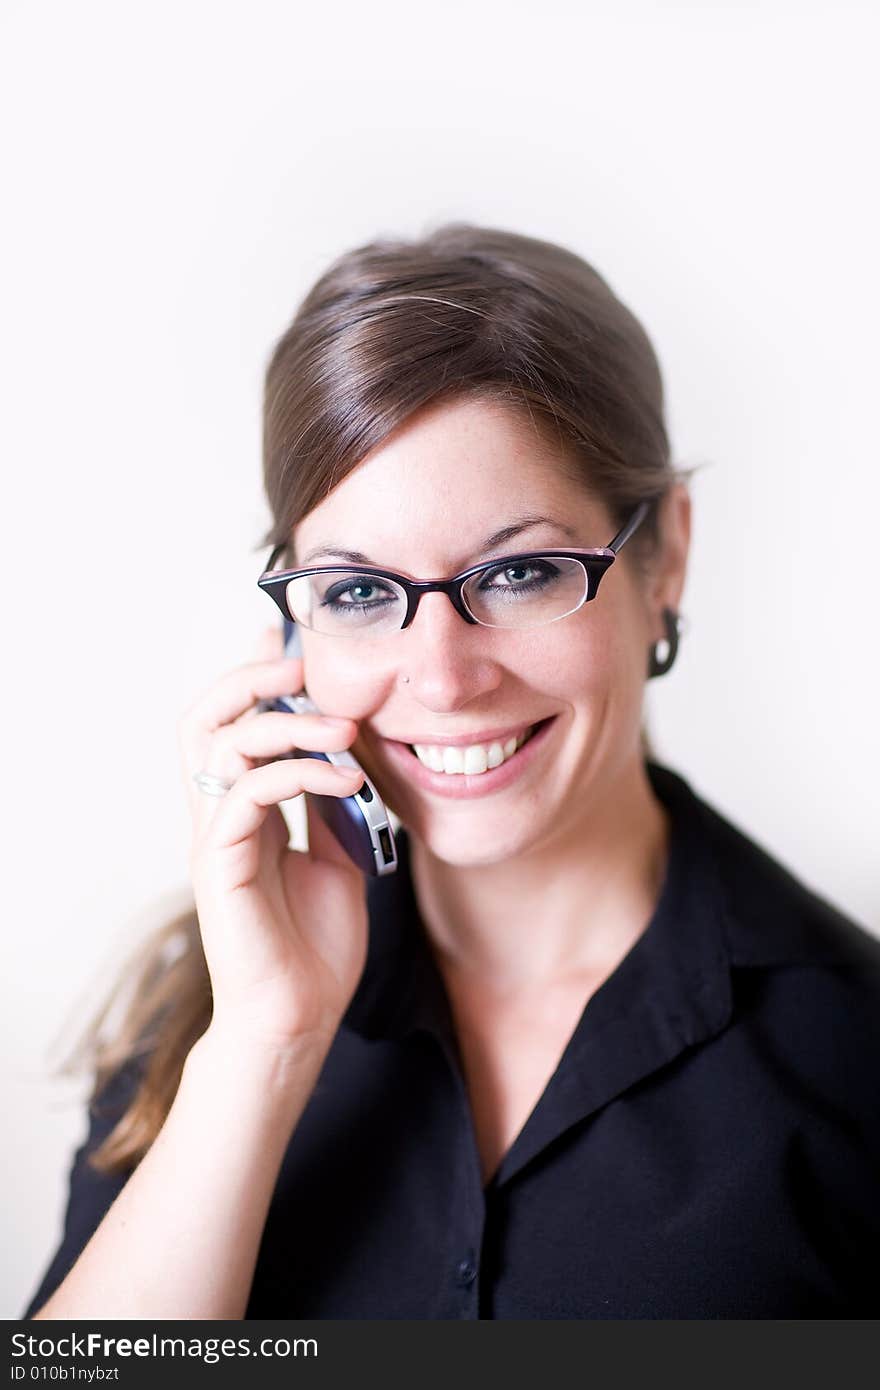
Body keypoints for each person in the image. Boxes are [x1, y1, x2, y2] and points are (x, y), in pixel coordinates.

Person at [23, 223, 880, 1320]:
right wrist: (265, 1047)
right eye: (359, 592)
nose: (441, 678)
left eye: (519, 571)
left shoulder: (845, 1058)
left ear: (664, 554)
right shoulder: (211, 1007)